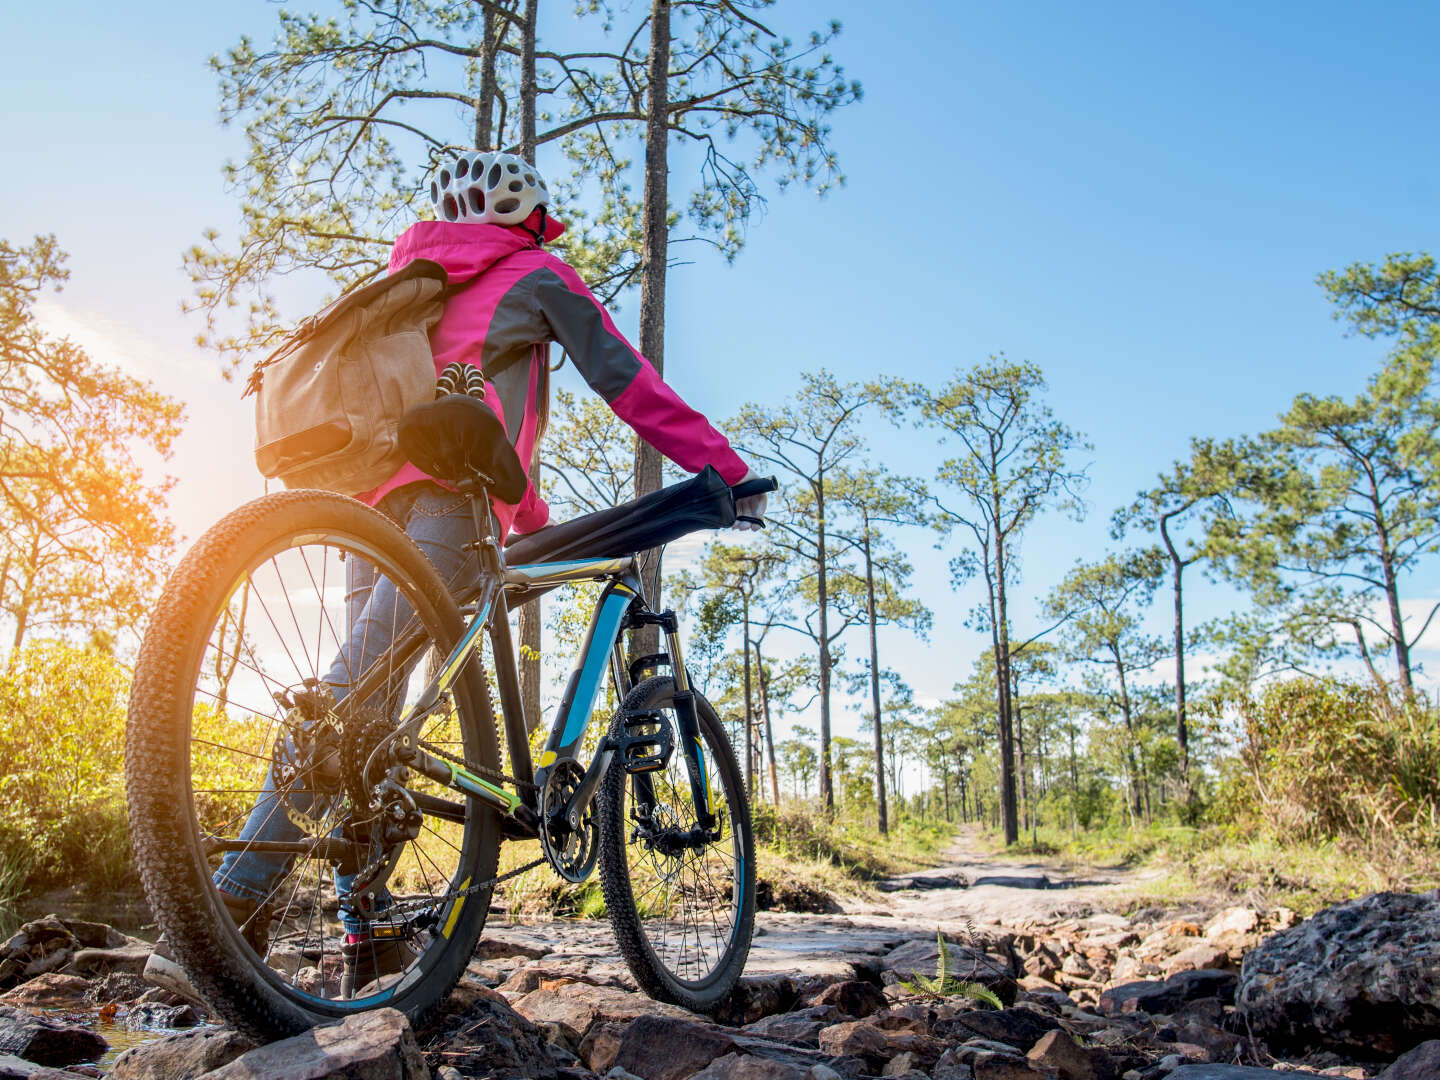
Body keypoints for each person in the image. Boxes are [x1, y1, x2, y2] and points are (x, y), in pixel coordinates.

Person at [145, 150, 768, 1001]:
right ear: (530, 216)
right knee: (347, 703)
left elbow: (458, 408)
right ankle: (227, 910)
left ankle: (363, 939)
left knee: (367, 721)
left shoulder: (416, 281)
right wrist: (722, 467)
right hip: (447, 510)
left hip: (370, 517)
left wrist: (534, 522)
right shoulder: (540, 272)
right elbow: (628, 382)